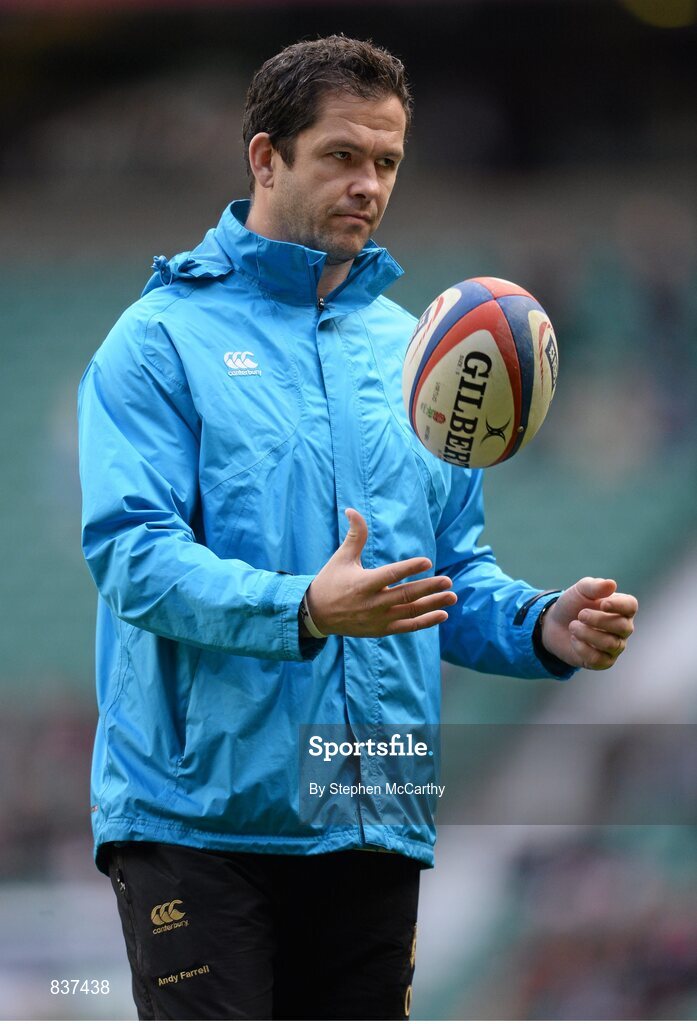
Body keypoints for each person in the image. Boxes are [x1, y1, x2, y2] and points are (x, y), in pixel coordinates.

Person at [77, 35, 638, 1021]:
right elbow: (133, 557)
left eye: (385, 161)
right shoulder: (158, 340)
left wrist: (544, 626)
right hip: (199, 824)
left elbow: (447, 575)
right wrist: (304, 606)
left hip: (374, 811)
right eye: (341, 154)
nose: (367, 183)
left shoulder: (419, 351)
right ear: (266, 158)